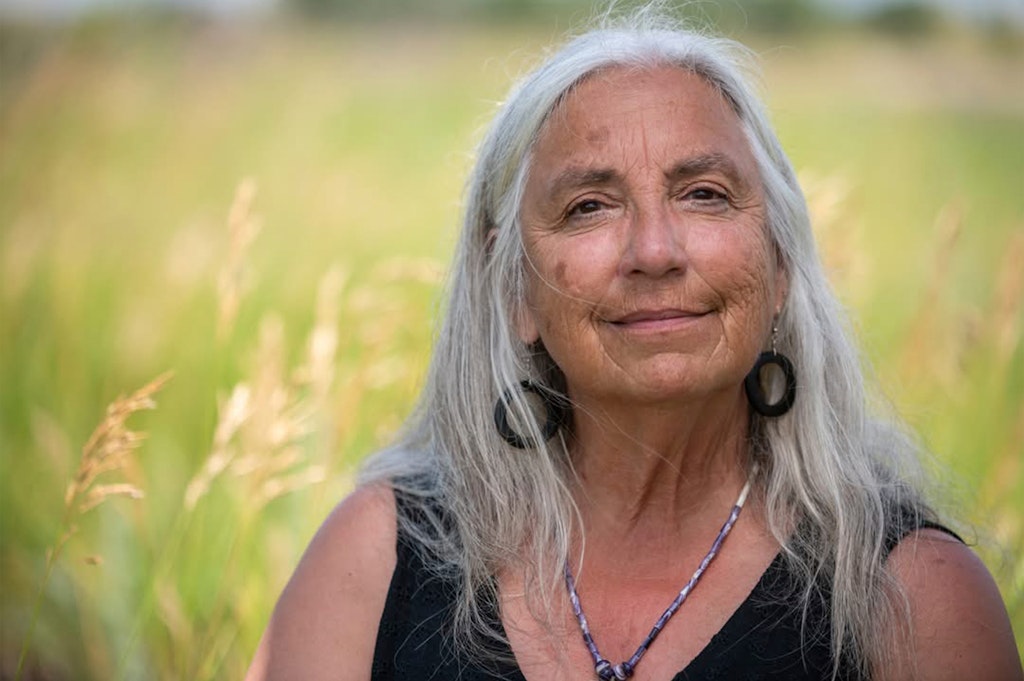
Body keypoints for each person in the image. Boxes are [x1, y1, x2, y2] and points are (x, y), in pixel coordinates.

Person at [246, 9, 1022, 681]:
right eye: (589, 206)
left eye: (705, 194)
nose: (654, 250)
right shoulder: (374, 559)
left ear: (780, 263)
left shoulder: (917, 598)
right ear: (513, 289)